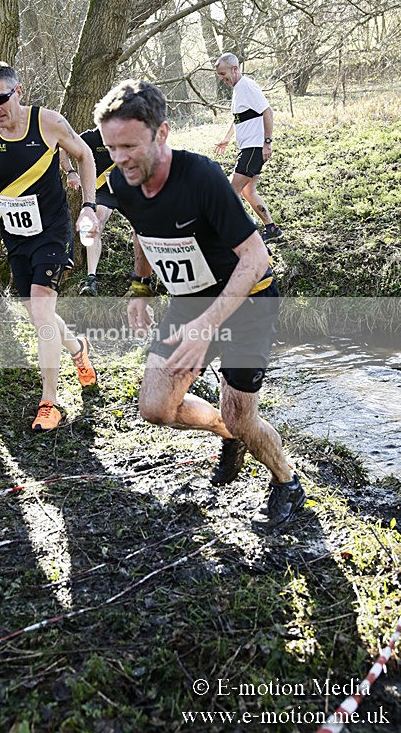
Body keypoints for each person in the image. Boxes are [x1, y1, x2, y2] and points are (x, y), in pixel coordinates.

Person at [90, 79, 306, 532]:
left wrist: (209, 323)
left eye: (130, 145)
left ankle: (286, 480)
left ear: (162, 133)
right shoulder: (123, 179)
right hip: (190, 304)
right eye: (112, 148)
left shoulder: (202, 177)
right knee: (155, 407)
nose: (121, 157)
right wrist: (140, 286)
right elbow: (141, 227)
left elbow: (256, 257)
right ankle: (230, 435)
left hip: (246, 301)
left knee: (241, 412)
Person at [0, 61, 98, 431]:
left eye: (1, 98)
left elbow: (85, 155)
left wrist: (90, 207)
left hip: (52, 227)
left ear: (18, 91)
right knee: (39, 315)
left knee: (42, 308)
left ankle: (50, 401)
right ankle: (78, 349)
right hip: (15, 233)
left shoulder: (47, 122)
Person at [61, 128, 153, 298]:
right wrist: (70, 171)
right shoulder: (90, 137)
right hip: (103, 191)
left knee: (142, 228)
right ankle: (91, 279)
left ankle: (142, 280)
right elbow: (63, 148)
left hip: (130, 189)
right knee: (95, 221)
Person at [214, 53, 283, 244]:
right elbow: (239, 118)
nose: (222, 79)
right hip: (248, 148)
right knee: (248, 191)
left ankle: (244, 232)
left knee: (231, 191)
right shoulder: (238, 89)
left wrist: (267, 142)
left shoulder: (247, 86)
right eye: (219, 75)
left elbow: (267, 112)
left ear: (235, 69)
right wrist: (227, 139)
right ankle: (272, 228)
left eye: (223, 74)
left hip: (254, 148)